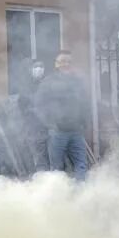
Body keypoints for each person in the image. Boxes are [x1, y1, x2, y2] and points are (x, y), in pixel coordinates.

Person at [35, 50, 89, 178]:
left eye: (69, 62)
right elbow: (39, 105)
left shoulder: (77, 82)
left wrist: (84, 122)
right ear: (56, 64)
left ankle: (82, 193)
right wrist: (51, 124)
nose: (66, 64)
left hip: (76, 131)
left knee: (81, 165)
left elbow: (85, 103)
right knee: (57, 168)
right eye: (63, 61)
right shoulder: (48, 82)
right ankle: (59, 195)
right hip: (57, 132)